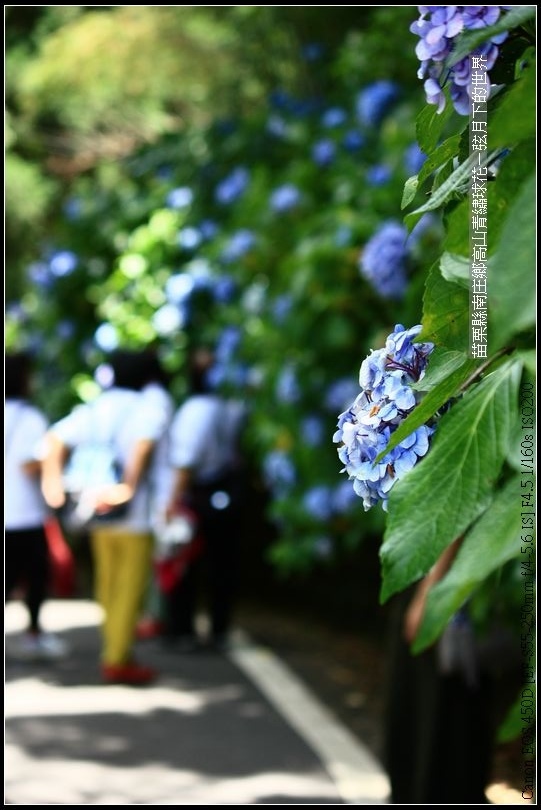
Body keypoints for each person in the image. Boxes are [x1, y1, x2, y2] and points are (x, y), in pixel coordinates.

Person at [41, 349, 169, 684]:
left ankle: (113, 649)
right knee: (129, 588)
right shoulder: (148, 410)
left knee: (107, 585)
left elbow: (54, 438)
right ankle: (117, 657)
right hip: (134, 516)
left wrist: (52, 483)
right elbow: (142, 447)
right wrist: (127, 486)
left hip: (95, 511)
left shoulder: (94, 409)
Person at [383, 536, 517, 804]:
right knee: (424, 714)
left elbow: (460, 514)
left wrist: (430, 592)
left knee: (439, 715)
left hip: (445, 586)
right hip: (431, 577)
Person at [162, 346, 248, 651]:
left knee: (186, 563)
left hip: (198, 496)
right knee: (222, 567)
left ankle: (181, 630)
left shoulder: (195, 410)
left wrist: (171, 502)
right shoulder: (234, 406)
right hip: (225, 493)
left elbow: (185, 461)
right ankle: (218, 630)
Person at [5, 351, 68, 661]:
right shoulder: (31, 419)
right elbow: (29, 465)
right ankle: (33, 633)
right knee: (34, 576)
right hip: (24, 513)